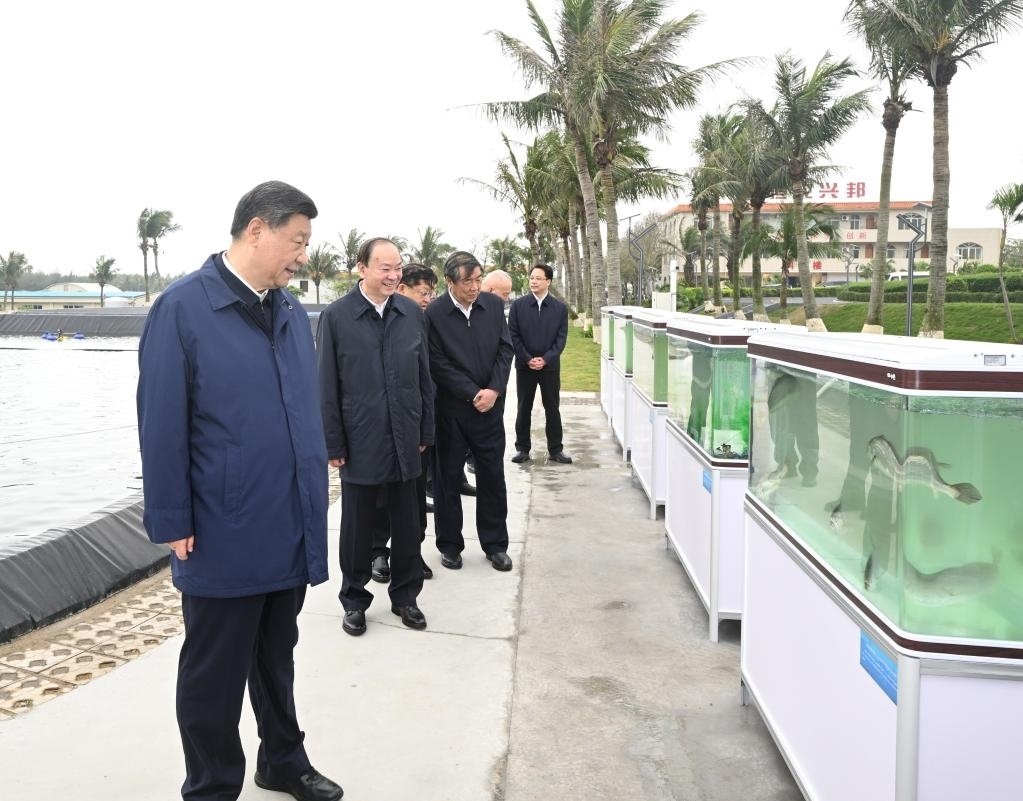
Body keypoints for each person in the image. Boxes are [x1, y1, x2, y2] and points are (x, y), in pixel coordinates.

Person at [136, 181, 343, 801]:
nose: (303, 256)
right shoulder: (182, 309)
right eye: (297, 241)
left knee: (276, 656)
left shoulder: (289, 312)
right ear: (257, 229)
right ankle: (211, 785)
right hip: (222, 526)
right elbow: (160, 421)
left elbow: (299, 412)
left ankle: (283, 760)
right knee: (214, 672)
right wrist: (171, 517)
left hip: (288, 518)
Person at [318, 239, 434, 636]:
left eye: (397, 267)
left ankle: (406, 597)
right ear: (362, 268)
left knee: (408, 525)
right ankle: (354, 600)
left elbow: (424, 377)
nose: (393, 275)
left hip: (406, 437)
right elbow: (326, 385)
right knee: (357, 528)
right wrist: (334, 443)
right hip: (360, 439)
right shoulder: (336, 317)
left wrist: (425, 429)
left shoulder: (411, 313)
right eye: (385, 268)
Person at [425, 251, 514, 572]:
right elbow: (436, 362)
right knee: (447, 480)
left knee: (492, 478)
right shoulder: (435, 313)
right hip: (451, 412)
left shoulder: (493, 306)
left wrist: (494, 390)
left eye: (478, 280)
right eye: (468, 282)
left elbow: (505, 349)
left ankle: (495, 545)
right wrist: (472, 392)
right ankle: (450, 545)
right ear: (450, 281)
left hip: (489, 410)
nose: (475, 287)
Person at [369, 263, 438, 584]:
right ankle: (377, 551)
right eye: (422, 292)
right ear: (401, 289)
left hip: (415, 421)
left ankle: (410, 551)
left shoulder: (420, 320)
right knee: (381, 494)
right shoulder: (373, 320)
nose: (427, 299)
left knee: (413, 496)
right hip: (379, 424)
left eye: (431, 293)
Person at [508, 264, 572, 464]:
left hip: (549, 367)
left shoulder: (559, 309)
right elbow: (513, 336)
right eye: (531, 278)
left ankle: (556, 450)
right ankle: (522, 449)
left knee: (552, 408)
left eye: (538, 278)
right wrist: (528, 358)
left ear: (548, 281)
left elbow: (561, 339)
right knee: (523, 407)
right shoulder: (517, 307)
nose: (533, 281)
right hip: (524, 366)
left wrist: (545, 359)